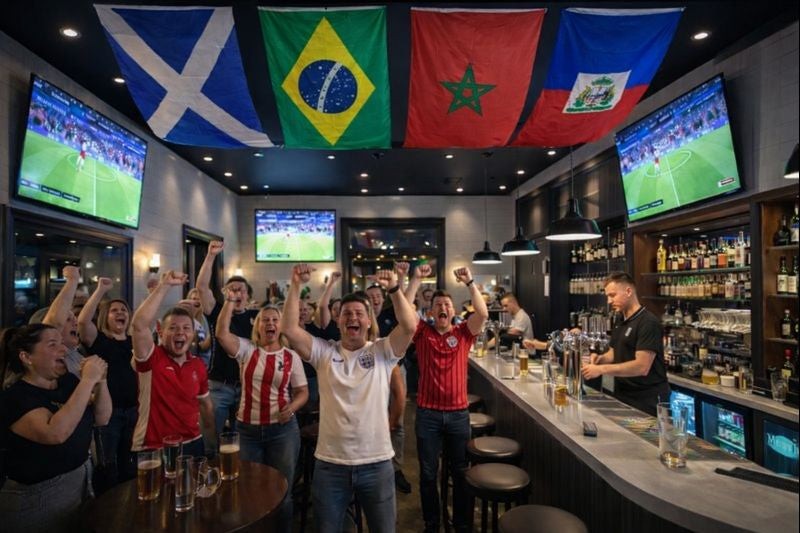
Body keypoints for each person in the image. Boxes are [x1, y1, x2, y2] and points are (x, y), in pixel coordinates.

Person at [281, 264, 417, 533]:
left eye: (359, 313)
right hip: (331, 465)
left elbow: (409, 326)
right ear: (338, 320)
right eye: (346, 313)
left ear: (368, 321)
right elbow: (290, 328)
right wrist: (295, 285)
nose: (352, 317)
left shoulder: (382, 351)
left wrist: (394, 288)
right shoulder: (323, 352)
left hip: (377, 463)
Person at [0, 324, 111, 533]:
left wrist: (101, 381)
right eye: (53, 344)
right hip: (38, 498)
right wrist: (87, 381)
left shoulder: (67, 382)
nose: (64, 350)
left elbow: (102, 417)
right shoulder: (15, 397)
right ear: (26, 357)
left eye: (62, 343)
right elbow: (55, 433)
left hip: (80, 482)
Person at [404, 265, 488, 533]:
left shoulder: (463, 333)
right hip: (427, 414)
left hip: (457, 415)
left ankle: (462, 523)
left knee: (460, 471)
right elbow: (404, 312)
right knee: (428, 474)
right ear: (431, 312)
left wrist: (470, 283)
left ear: (454, 312)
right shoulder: (421, 333)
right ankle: (432, 522)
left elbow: (483, 313)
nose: (442, 307)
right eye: (437, 304)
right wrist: (415, 278)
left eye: (447, 304)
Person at [215, 294, 308, 532]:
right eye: (265, 320)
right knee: (247, 488)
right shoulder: (247, 350)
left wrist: (293, 407)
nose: (270, 324)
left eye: (275, 320)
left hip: (282, 431)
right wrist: (228, 302)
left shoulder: (291, 357)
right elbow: (221, 334)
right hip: (247, 430)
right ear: (257, 326)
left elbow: (302, 392)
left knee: (282, 489)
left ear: (281, 326)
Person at [130, 270, 215, 456]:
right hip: (154, 446)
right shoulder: (151, 358)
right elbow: (139, 325)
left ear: (193, 335)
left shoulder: (197, 365)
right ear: (160, 332)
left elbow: (205, 406)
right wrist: (165, 285)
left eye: (186, 328)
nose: (180, 333)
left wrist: (212, 444)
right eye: (173, 328)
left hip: (193, 442)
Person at [77, 276, 138, 493]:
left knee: (131, 464)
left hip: (134, 410)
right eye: (114, 310)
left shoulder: (134, 342)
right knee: (108, 466)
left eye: (124, 310)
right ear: (105, 317)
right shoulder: (99, 340)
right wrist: (100, 290)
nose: (121, 312)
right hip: (108, 415)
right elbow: (83, 322)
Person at [581, 272, 670, 416]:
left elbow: (642, 367)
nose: (609, 301)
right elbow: (614, 352)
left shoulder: (648, 322)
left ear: (628, 291)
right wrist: (599, 359)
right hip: (623, 394)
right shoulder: (620, 319)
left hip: (647, 399)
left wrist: (601, 369)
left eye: (612, 295)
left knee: (646, 439)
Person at [196, 241, 258, 444]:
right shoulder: (218, 312)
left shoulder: (257, 317)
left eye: (241, 290)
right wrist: (210, 256)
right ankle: (208, 474)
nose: (237, 294)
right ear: (225, 293)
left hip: (247, 386)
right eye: (232, 290)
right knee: (210, 439)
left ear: (248, 295)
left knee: (241, 441)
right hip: (219, 385)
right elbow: (202, 287)